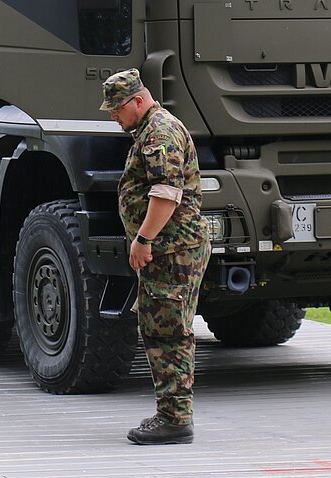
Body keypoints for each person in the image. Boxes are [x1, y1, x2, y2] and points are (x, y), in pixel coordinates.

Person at [99, 69, 211, 445]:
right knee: (160, 328)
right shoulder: (148, 129)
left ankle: (175, 419)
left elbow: (166, 193)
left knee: (166, 331)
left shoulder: (159, 132)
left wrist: (143, 237)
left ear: (138, 101)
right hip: (169, 249)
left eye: (116, 108)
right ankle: (171, 413)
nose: (113, 115)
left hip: (171, 249)